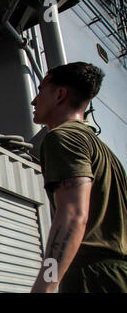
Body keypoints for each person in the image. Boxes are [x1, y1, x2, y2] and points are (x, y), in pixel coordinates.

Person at [30, 62, 126, 293]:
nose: (34, 100)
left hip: (92, 278)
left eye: (41, 90)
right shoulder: (107, 154)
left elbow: (72, 216)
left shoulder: (62, 138)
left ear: (60, 94)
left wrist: (44, 286)